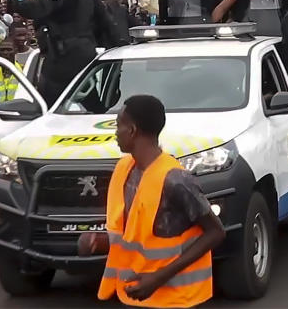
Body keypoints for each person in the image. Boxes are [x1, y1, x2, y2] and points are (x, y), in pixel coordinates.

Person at [92, 94, 224, 307]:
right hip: (134, 295)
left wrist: (158, 278)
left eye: (118, 127)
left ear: (133, 131)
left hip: (174, 301)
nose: (115, 134)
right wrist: (99, 241)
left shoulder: (175, 180)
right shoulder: (125, 170)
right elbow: (136, 236)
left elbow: (216, 232)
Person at [7, 0, 119, 104]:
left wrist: (16, 4)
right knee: (92, 106)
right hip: (86, 56)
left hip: (63, 59)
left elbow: (42, 7)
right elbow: (106, 23)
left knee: (47, 109)